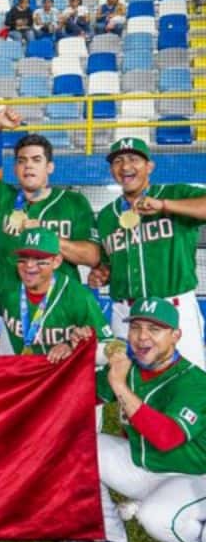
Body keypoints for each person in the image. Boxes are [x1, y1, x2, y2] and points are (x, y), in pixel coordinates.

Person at [96, 298, 206, 542]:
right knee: (79, 446)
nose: (142, 337)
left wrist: (118, 385)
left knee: (155, 518)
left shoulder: (195, 382)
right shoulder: (129, 367)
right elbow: (80, 395)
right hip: (145, 468)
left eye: (155, 329)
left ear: (176, 335)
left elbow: (166, 437)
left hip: (194, 476)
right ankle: (108, 532)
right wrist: (78, 351)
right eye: (136, 327)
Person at [89, 137, 206, 369]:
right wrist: (102, 274)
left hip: (174, 308)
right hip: (126, 314)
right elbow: (108, 263)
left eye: (133, 159)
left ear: (149, 166)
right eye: (118, 161)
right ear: (112, 170)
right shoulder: (106, 216)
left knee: (187, 381)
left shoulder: (175, 193)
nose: (125, 166)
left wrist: (165, 205)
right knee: (127, 381)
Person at [0, 108, 99, 287]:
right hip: (11, 296)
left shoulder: (74, 201)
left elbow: (92, 257)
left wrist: (46, 236)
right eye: (22, 161)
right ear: (15, 169)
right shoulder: (3, 196)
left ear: (50, 167)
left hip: (61, 298)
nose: (28, 166)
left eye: (36, 160)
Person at [0, 214, 112, 359]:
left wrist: (73, 346)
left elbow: (108, 348)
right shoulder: (8, 280)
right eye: (23, 258)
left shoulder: (77, 296)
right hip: (24, 371)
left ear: (56, 261)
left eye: (39, 259)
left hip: (62, 377)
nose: (29, 266)